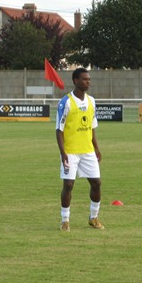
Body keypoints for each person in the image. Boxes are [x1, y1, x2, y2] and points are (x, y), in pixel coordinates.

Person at [56, 67, 104, 232]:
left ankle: (93, 217)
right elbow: (59, 130)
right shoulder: (66, 102)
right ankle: (65, 220)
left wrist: (96, 148)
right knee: (68, 185)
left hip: (88, 151)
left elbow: (92, 127)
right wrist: (63, 153)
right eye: (84, 79)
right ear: (75, 81)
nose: (88, 82)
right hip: (70, 152)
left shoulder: (92, 101)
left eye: (89, 79)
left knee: (96, 183)